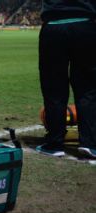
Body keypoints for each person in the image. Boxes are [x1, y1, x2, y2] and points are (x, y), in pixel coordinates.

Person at [36, 0, 96, 159]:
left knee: (53, 88)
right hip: (86, 25)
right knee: (88, 88)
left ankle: (55, 143)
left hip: (54, 25)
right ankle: (89, 143)